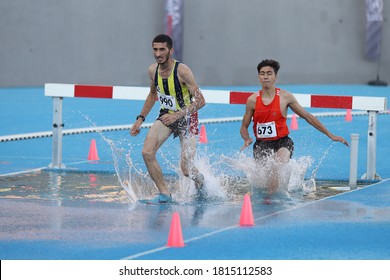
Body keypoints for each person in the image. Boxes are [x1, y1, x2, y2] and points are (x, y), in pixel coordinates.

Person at [240, 59, 349, 197]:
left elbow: (307, 116)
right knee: (262, 182)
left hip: (283, 142)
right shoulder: (252, 100)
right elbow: (244, 126)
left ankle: (271, 202)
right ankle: (269, 196)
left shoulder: (285, 97)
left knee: (276, 168)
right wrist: (246, 139)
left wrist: (330, 134)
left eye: (269, 73)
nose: (265, 76)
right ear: (258, 77)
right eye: (262, 74)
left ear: (275, 77)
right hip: (261, 144)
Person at [130, 34, 206, 204]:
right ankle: (164, 194)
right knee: (147, 152)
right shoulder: (153, 70)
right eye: (155, 49)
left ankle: (202, 183)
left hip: (187, 117)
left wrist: (177, 115)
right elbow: (152, 95)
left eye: (162, 49)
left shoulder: (182, 71)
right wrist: (140, 118)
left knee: (186, 169)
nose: (158, 53)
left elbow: (201, 101)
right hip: (166, 115)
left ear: (171, 50)